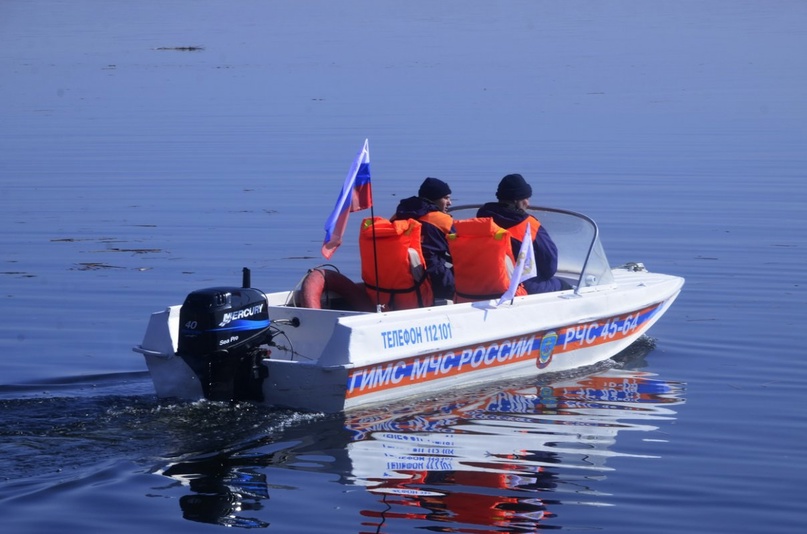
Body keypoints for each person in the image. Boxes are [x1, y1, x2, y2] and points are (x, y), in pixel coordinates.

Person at [476, 173, 570, 294]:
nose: (528, 203)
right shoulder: (529, 226)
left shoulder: (481, 221)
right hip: (520, 286)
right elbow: (549, 267)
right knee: (563, 285)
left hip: (482, 283)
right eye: (525, 198)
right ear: (517, 201)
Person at [391, 177, 455, 300]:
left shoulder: (398, 216)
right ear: (435, 198)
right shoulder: (442, 220)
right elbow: (463, 252)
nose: (450, 203)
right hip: (435, 278)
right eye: (446, 198)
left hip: (399, 276)